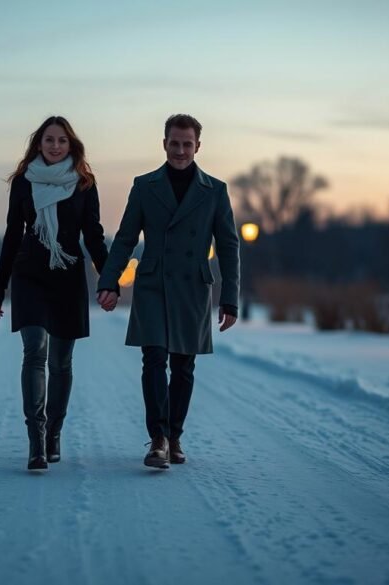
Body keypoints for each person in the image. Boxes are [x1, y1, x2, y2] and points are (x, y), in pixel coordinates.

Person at [96, 114, 239, 469]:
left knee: (183, 365)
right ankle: (158, 438)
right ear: (164, 144)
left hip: (192, 285)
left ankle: (175, 435)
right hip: (153, 283)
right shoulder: (145, 186)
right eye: (174, 143)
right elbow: (126, 237)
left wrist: (230, 298)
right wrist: (109, 281)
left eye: (187, 144)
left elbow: (228, 245)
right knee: (154, 359)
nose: (180, 150)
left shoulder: (215, 190)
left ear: (197, 147)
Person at [0, 116, 109, 471]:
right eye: (48, 140)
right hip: (30, 274)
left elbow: (94, 235)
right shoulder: (24, 183)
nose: (55, 146)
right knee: (34, 351)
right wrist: (0, 285)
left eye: (61, 141)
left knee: (60, 362)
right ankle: (36, 439)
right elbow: (12, 234)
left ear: (71, 145)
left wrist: (109, 277)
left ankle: (55, 430)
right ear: (38, 144)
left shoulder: (85, 183)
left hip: (68, 275)